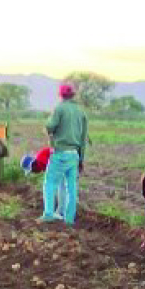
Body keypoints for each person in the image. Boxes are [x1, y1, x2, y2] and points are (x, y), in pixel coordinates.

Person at [39, 83, 87, 224]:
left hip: (60, 152)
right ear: (73, 95)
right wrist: (81, 160)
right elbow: (83, 139)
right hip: (74, 154)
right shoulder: (81, 112)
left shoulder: (59, 108)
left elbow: (49, 126)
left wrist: (48, 125)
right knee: (71, 187)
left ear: (60, 95)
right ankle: (69, 219)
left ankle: (48, 214)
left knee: (50, 183)